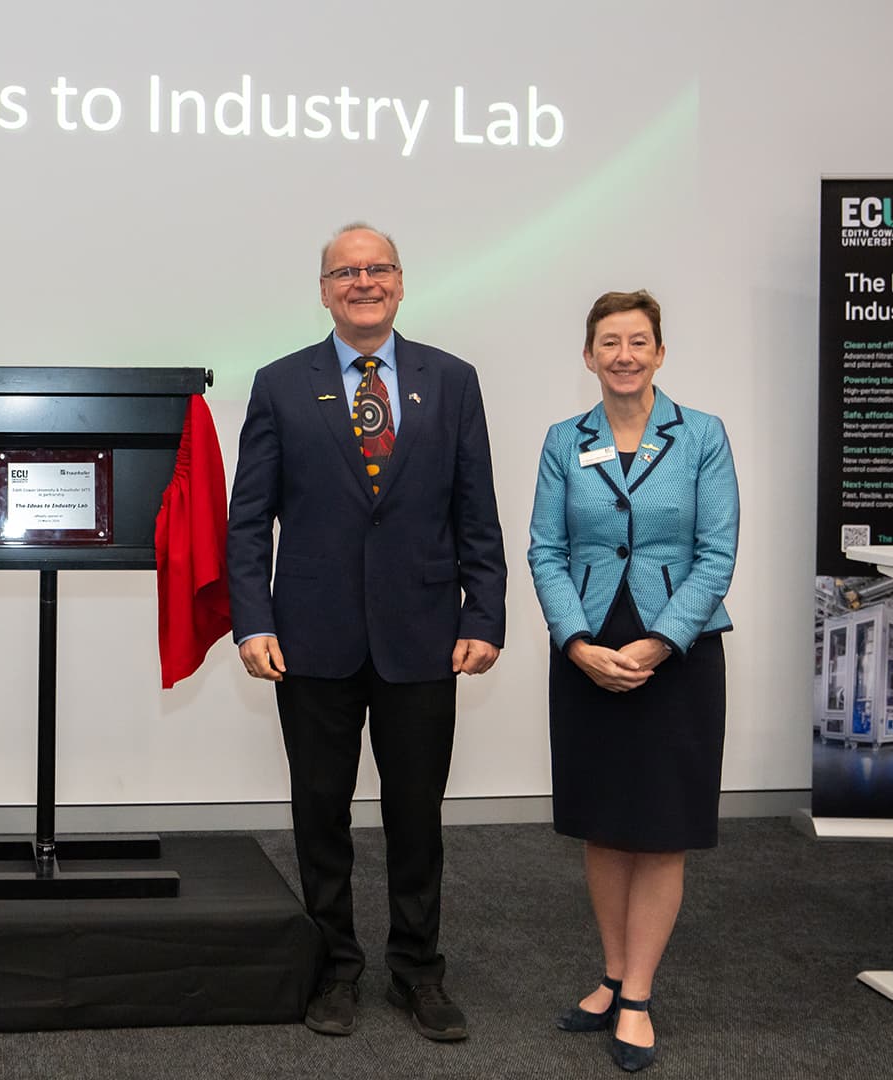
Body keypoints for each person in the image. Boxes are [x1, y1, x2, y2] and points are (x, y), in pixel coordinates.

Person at [226, 222, 507, 1040]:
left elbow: (475, 511)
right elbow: (250, 522)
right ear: (323, 290)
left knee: (416, 814)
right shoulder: (280, 385)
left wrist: (482, 612)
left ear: (401, 281)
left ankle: (418, 970)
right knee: (321, 811)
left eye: (376, 268)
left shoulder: (451, 381)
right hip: (309, 637)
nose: (362, 282)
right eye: (345, 272)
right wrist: (252, 621)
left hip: (424, 635)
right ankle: (333, 967)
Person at [527, 290, 738, 1073]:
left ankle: (640, 994)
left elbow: (717, 555)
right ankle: (611, 975)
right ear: (588, 356)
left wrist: (659, 644)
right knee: (604, 820)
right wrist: (575, 642)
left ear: (659, 353)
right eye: (608, 342)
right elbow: (544, 550)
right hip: (586, 650)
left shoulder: (702, 436)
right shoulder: (562, 441)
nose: (623, 354)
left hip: (674, 655)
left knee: (661, 825)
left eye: (638, 341)